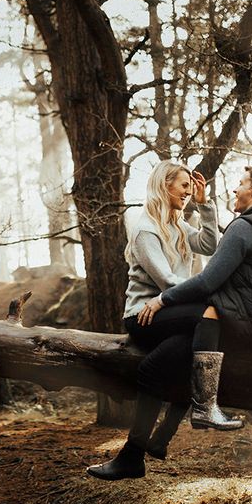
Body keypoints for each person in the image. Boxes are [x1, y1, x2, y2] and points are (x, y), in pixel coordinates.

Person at [138, 165, 252, 432]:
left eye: (241, 183)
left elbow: (208, 281)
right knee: (192, 341)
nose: (235, 188)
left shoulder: (243, 226)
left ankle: (202, 408)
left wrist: (163, 300)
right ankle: (163, 437)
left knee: (207, 319)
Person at [87, 160, 220, 481]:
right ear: (165, 185)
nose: (189, 191)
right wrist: (207, 297)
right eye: (184, 185)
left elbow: (210, 244)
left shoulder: (177, 224)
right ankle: (190, 417)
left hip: (172, 314)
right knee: (212, 315)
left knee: (160, 365)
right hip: (144, 316)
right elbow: (169, 283)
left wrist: (206, 208)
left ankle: (137, 453)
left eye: (191, 186)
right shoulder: (146, 227)